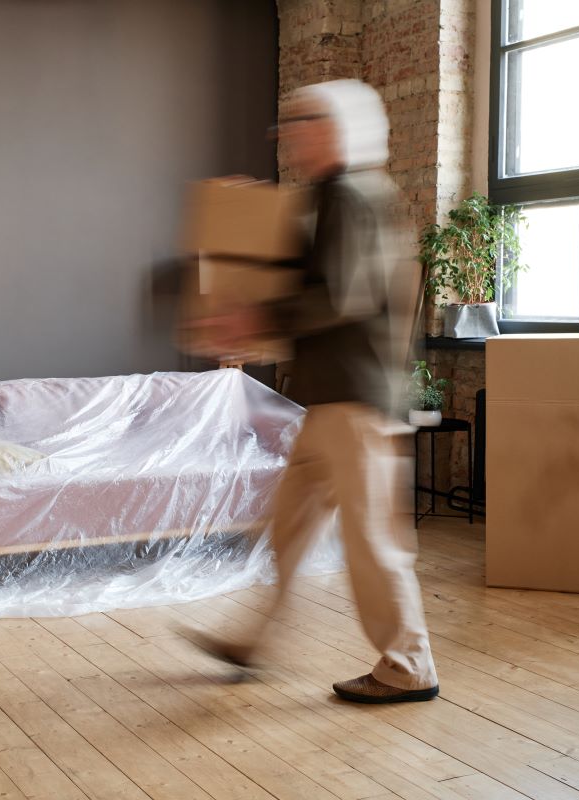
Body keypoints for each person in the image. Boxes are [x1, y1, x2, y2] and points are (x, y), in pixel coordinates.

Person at [191, 79, 439, 704]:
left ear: (334, 129)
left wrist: (256, 319)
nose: (288, 135)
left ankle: (409, 667)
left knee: (371, 541)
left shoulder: (352, 194)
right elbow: (298, 275)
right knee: (288, 529)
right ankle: (255, 640)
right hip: (329, 400)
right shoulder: (328, 196)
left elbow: (342, 295)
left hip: (355, 403)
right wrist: (250, 226)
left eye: (301, 122)